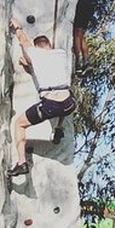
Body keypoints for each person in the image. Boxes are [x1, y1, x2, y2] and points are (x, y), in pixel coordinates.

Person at [7, 19, 77, 177]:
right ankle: (58, 129)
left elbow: (23, 40)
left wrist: (17, 27)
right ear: (49, 46)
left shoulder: (35, 53)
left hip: (51, 105)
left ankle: (21, 163)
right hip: (69, 104)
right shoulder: (61, 54)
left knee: (19, 124)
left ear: (37, 47)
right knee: (65, 102)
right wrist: (31, 67)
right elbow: (50, 72)